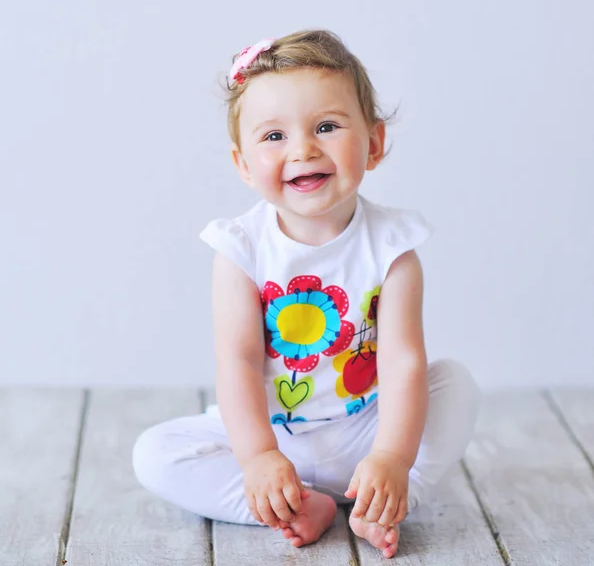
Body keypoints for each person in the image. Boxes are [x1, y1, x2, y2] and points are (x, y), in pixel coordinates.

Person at [132, 29, 480, 559]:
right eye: (273, 136)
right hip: (275, 433)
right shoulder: (240, 249)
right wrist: (257, 457)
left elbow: (403, 362)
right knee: (155, 455)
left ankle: (377, 499)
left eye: (326, 126)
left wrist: (391, 455)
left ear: (374, 142)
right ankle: (296, 502)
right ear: (244, 164)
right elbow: (240, 363)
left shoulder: (393, 249)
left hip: (369, 428)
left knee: (454, 385)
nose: (303, 149)